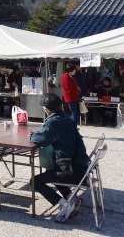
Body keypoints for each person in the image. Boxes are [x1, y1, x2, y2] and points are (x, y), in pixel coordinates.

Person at [30, 93, 90, 223]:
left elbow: (39, 138)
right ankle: (72, 199)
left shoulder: (54, 122)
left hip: (70, 170)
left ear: (46, 110)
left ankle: (66, 204)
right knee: (50, 174)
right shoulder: (66, 118)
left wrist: (32, 136)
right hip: (80, 167)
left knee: (35, 181)